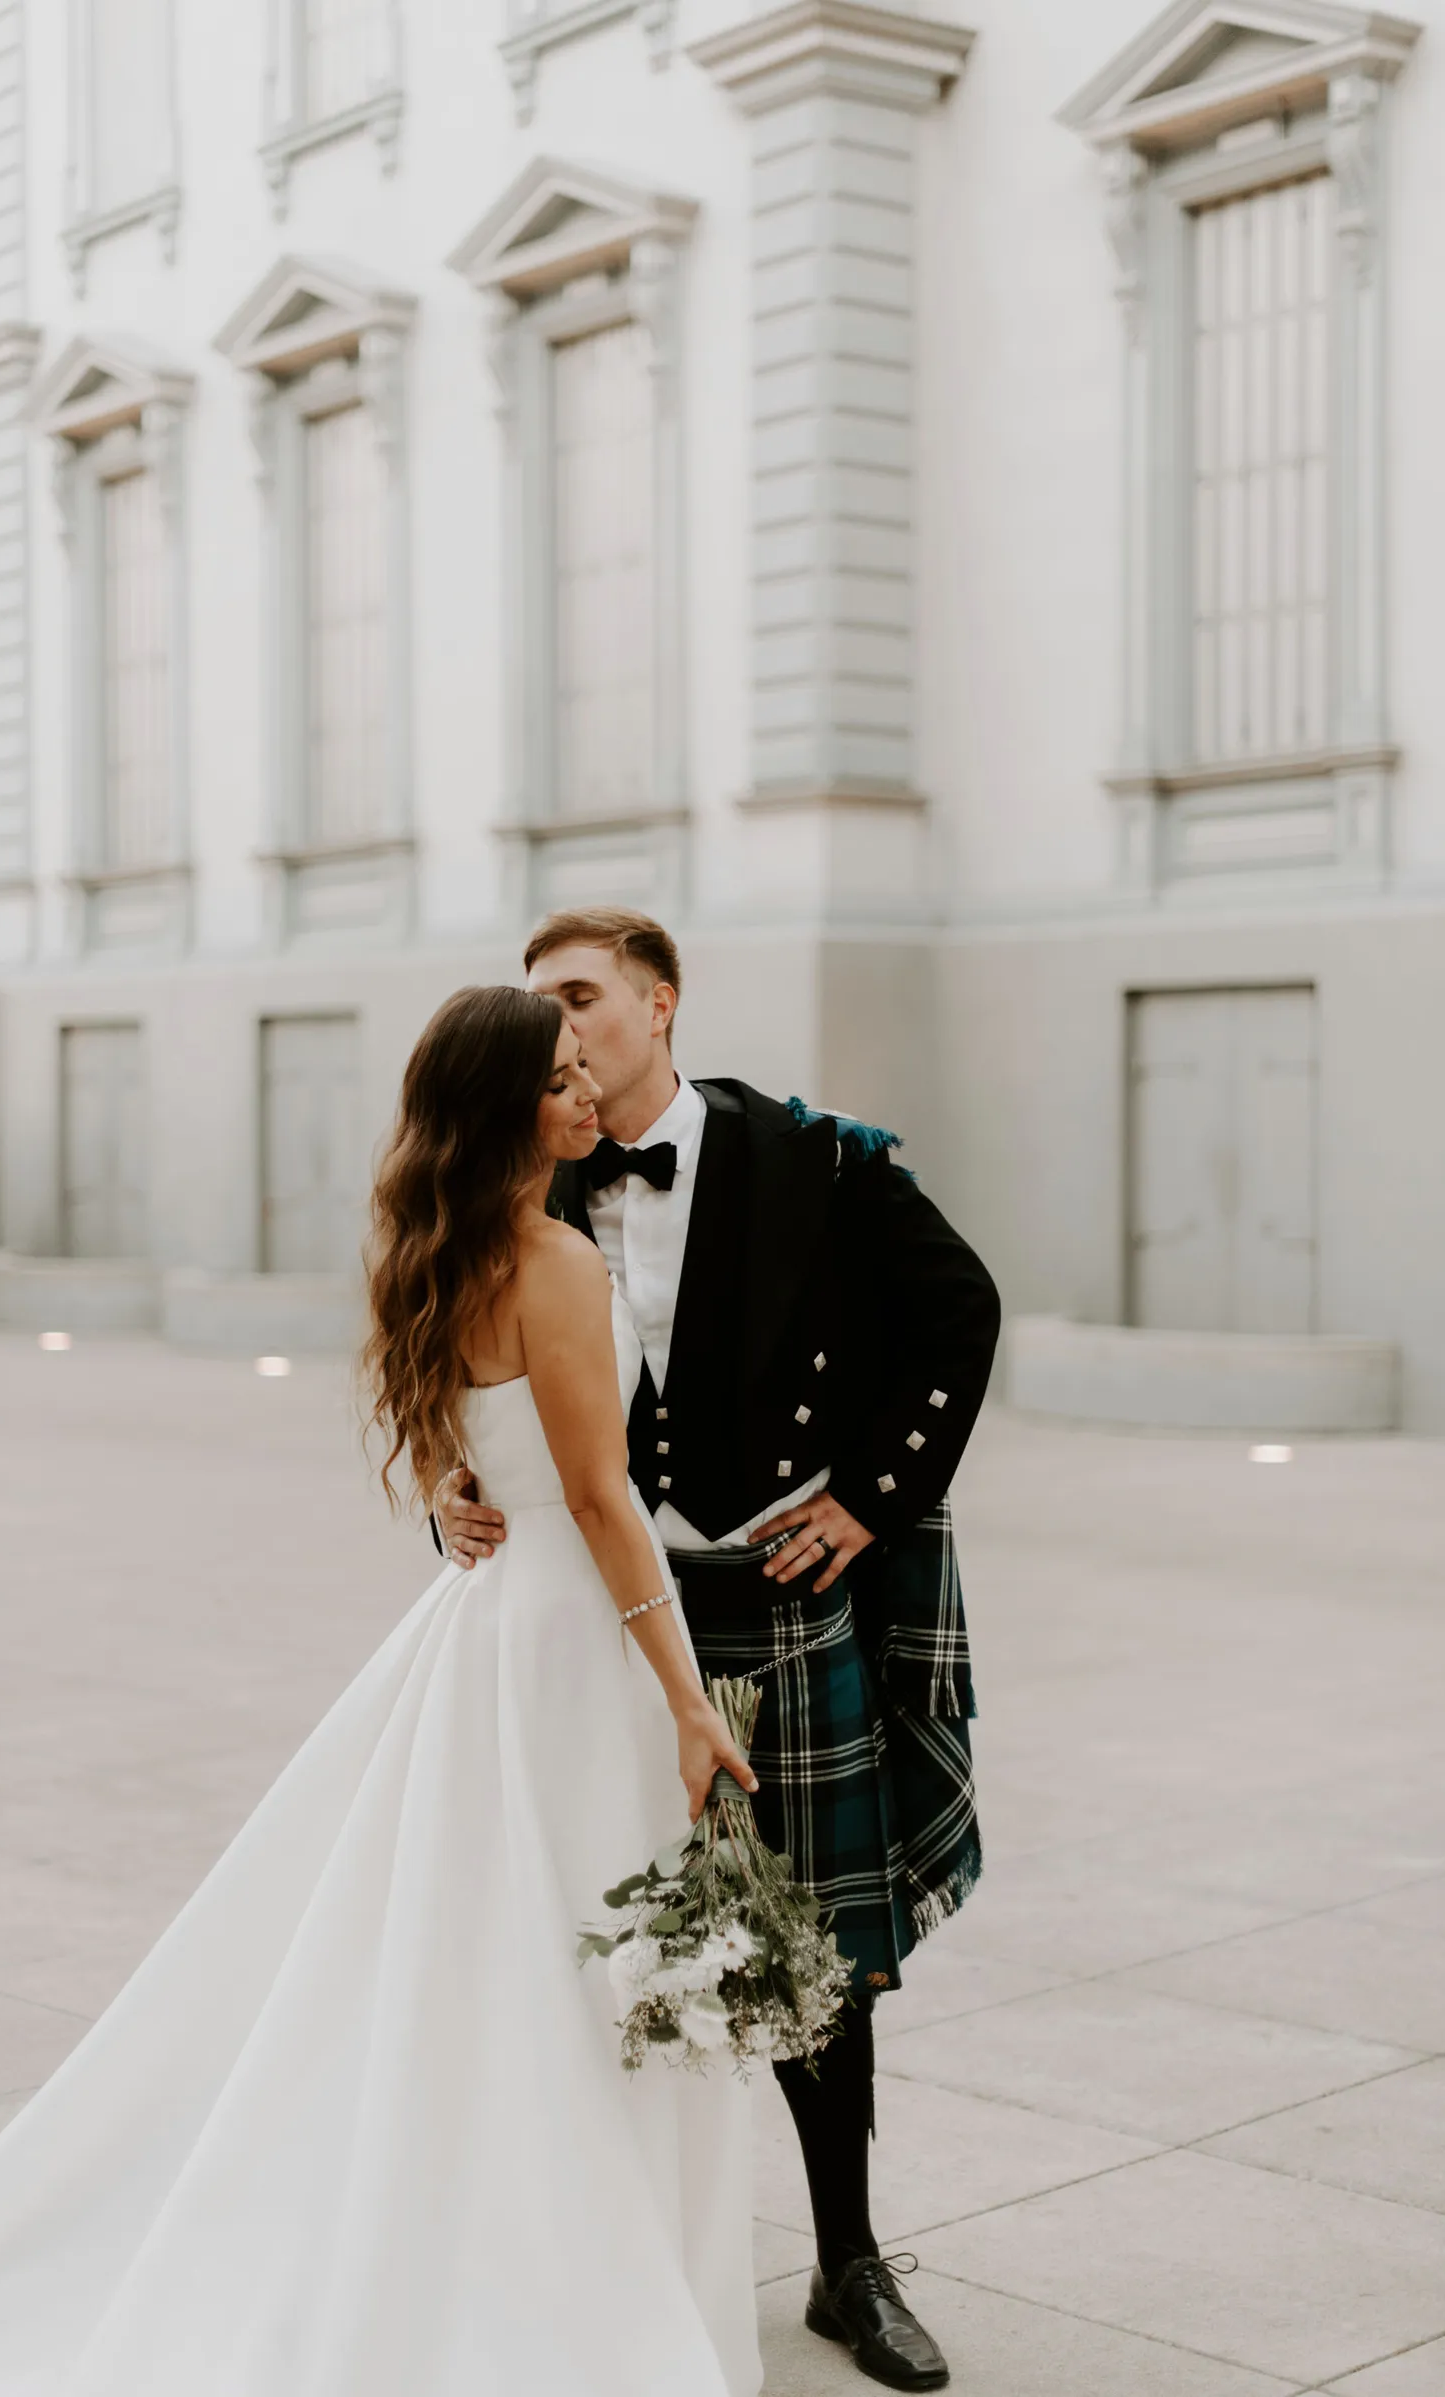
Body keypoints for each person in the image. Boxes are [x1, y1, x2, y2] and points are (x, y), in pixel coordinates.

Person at [0, 985, 763, 2397]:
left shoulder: (439, 1253)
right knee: (575, 1950)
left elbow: (493, 1455)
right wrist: (689, 1696)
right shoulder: (558, 1259)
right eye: (568, 1079)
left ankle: (485, 2229)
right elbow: (595, 1498)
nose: (592, 1098)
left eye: (591, 1072)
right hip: (566, 1639)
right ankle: (557, 2273)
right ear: (510, 1106)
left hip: (481, 1629)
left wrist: (464, 1490)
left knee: (498, 1950)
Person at [441, 909, 1001, 2394]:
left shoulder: (812, 1155)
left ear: (660, 1003)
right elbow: (464, 1351)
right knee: (581, 1926)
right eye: (539, 1004)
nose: (558, 1029)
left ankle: (846, 2262)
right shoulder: (527, 1170)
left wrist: (874, 1504)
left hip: (761, 1583)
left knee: (809, 1942)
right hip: (594, 1611)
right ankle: (589, 2245)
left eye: (580, 996)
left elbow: (963, 1312)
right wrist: (453, 1475)